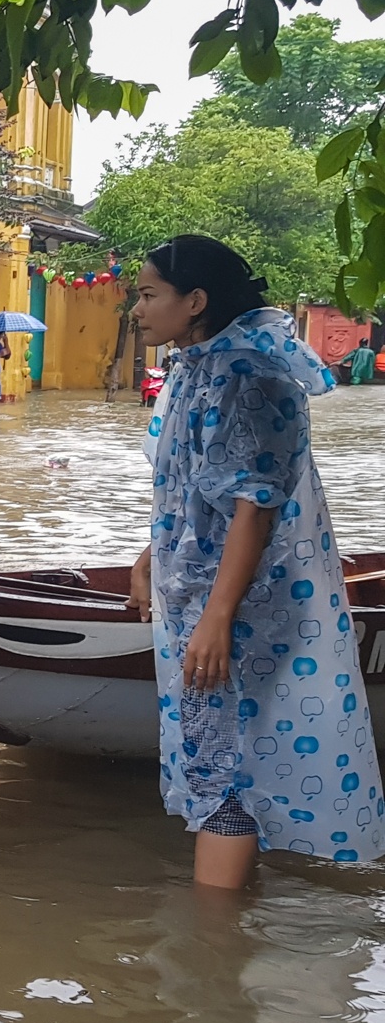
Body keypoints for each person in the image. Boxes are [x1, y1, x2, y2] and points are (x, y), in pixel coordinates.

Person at [126, 234, 384, 887]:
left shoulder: (249, 376)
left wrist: (218, 617)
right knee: (217, 755)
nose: (137, 309)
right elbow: (194, 491)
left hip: (240, 608)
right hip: (206, 596)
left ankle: (214, 935)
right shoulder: (199, 367)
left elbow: (255, 507)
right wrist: (150, 557)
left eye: (149, 295)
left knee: (225, 770)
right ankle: (227, 927)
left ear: (195, 301)